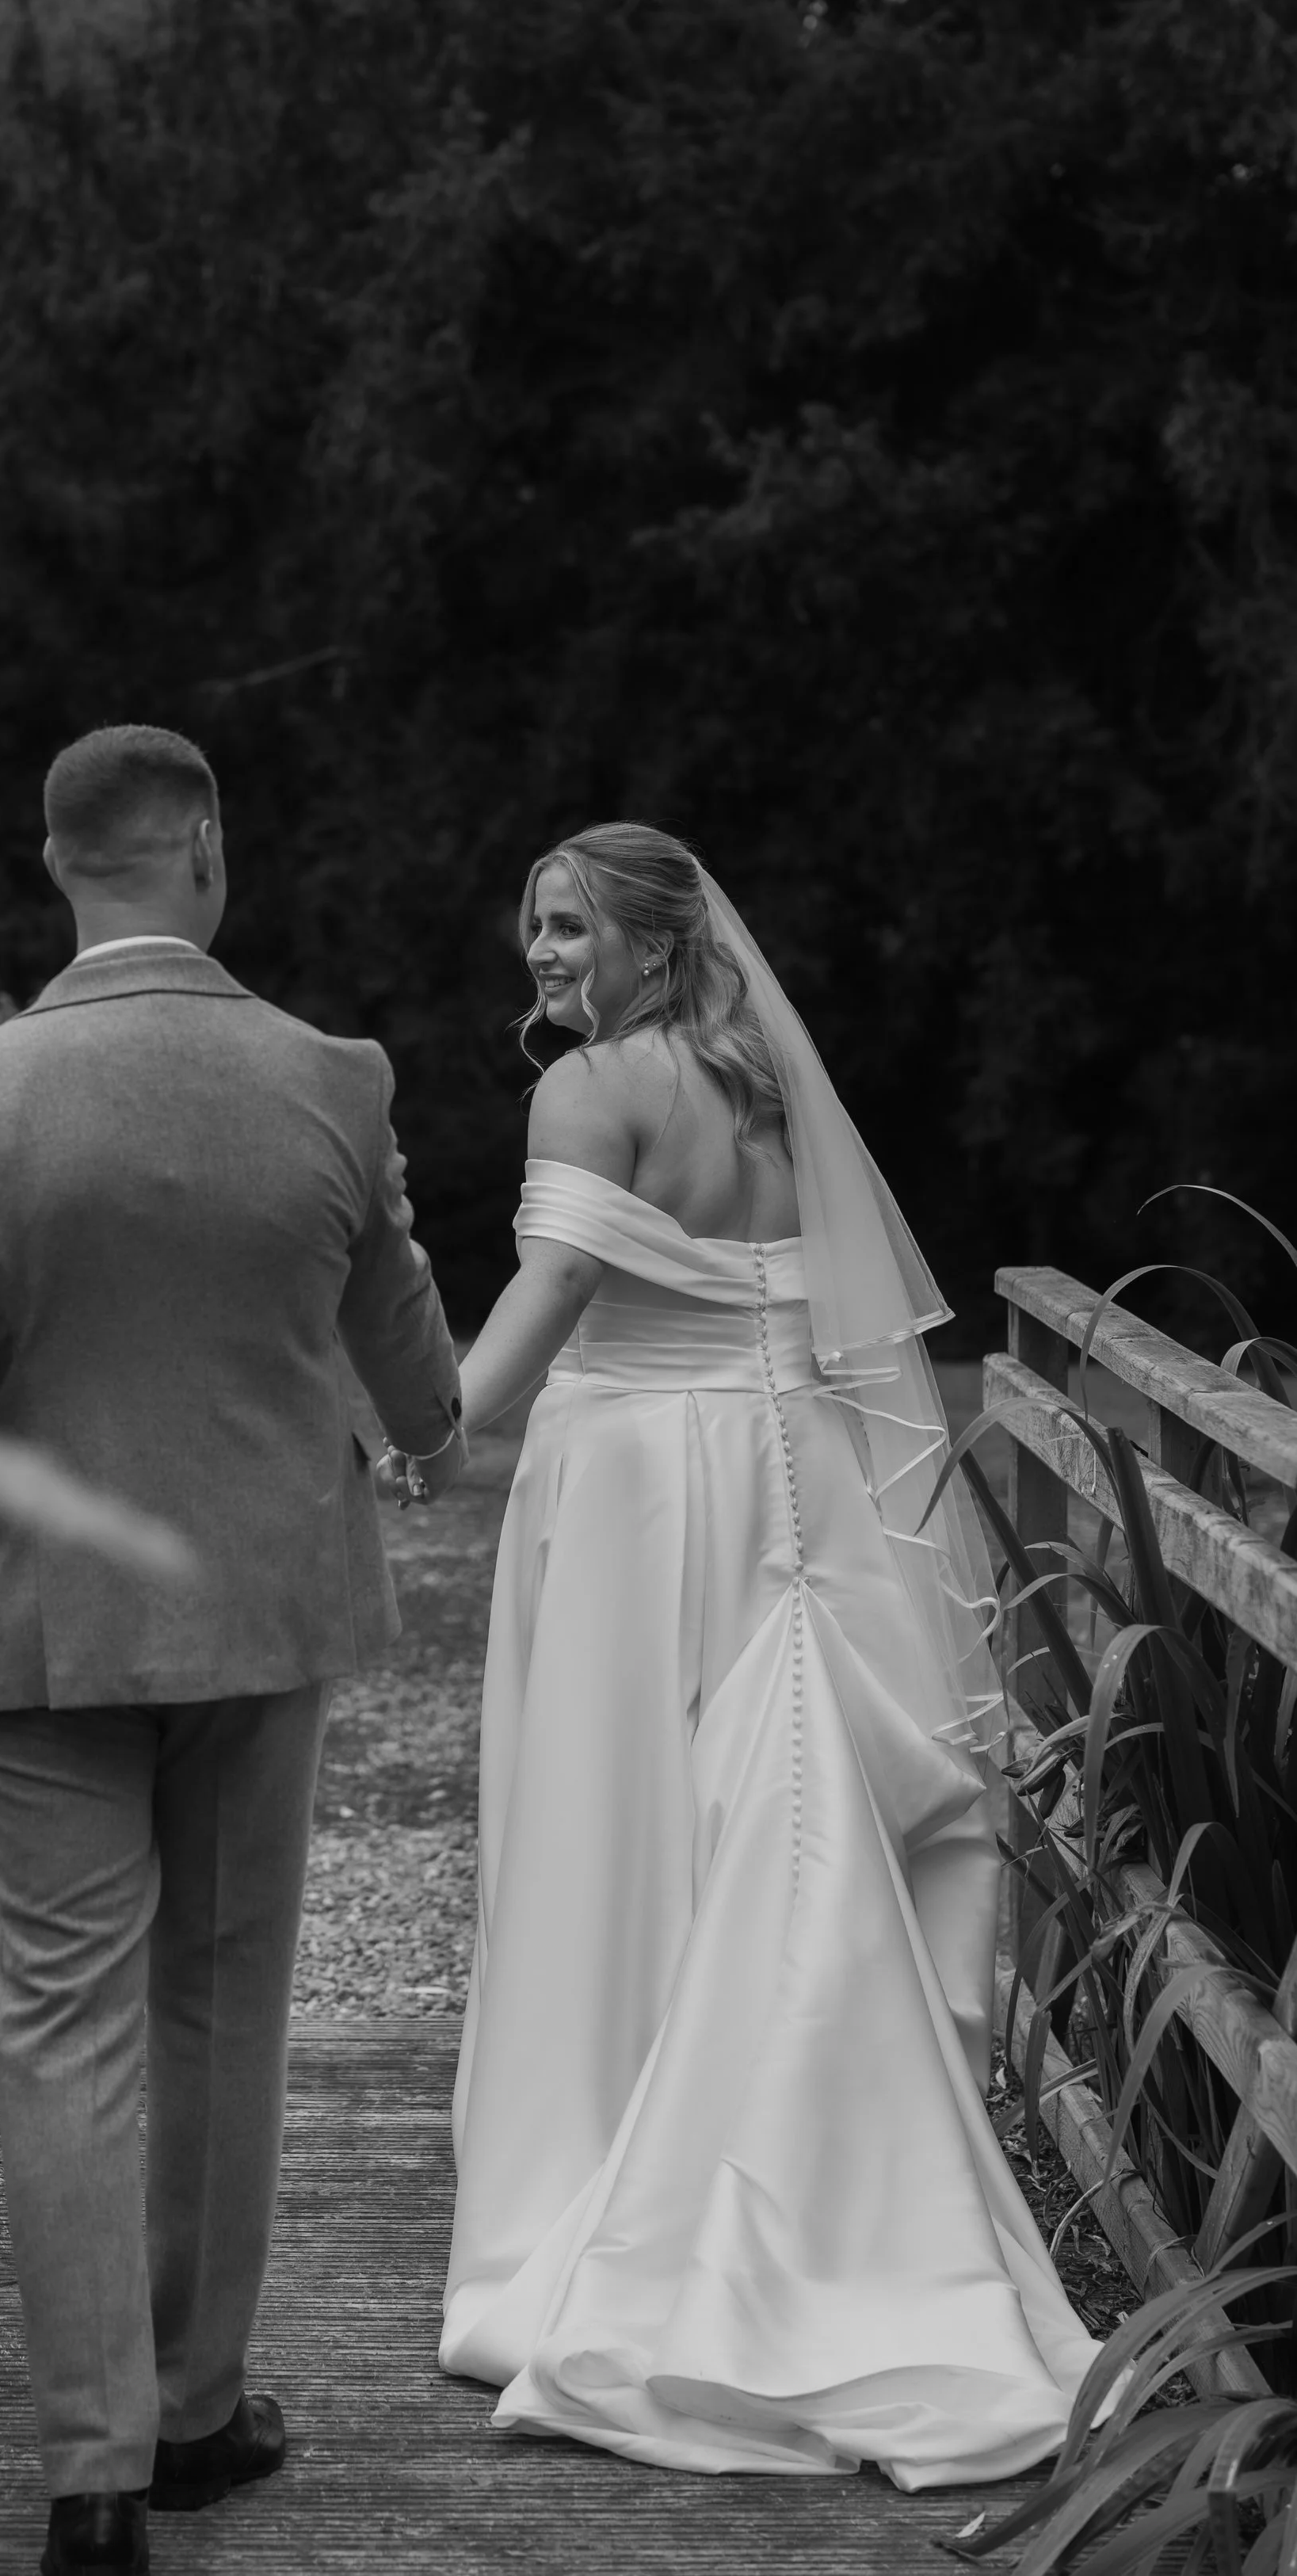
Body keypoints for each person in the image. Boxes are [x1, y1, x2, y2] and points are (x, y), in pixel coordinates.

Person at [408, 822, 1100, 2486]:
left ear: (654, 941)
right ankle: (831, 2187)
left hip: (643, 1487)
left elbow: (550, 1293)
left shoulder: (588, 1094)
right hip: (788, 1477)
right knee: (785, 1831)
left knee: (617, 1830)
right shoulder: (768, 1096)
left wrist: (421, 1421)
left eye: (570, 929)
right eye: (531, 935)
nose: (544, 960)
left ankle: (616, 2199)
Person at [0, 724, 464, 2576]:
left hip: (45, 1627)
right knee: (223, 2013)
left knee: (58, 2033)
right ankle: (198, 2418)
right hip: (262, 1614)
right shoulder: (328, 1081)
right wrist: (410, 1425)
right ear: (199, 847)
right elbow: (418, 1375)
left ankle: (88, 2474)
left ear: (59, 867)